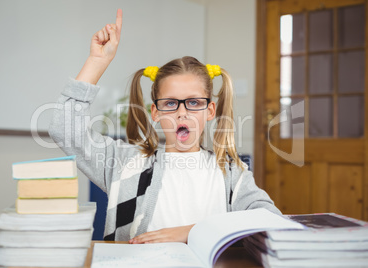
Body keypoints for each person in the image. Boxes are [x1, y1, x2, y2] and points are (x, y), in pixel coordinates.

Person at [48, 9, 281, 244]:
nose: (182, 113)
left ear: (210, 111)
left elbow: (270, 220)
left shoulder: (231, 173)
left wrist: (192, 231)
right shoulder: (124, 165)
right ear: (156, 113)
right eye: (170, 103)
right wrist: (96, 62)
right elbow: (64, 129)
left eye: (193, 102)